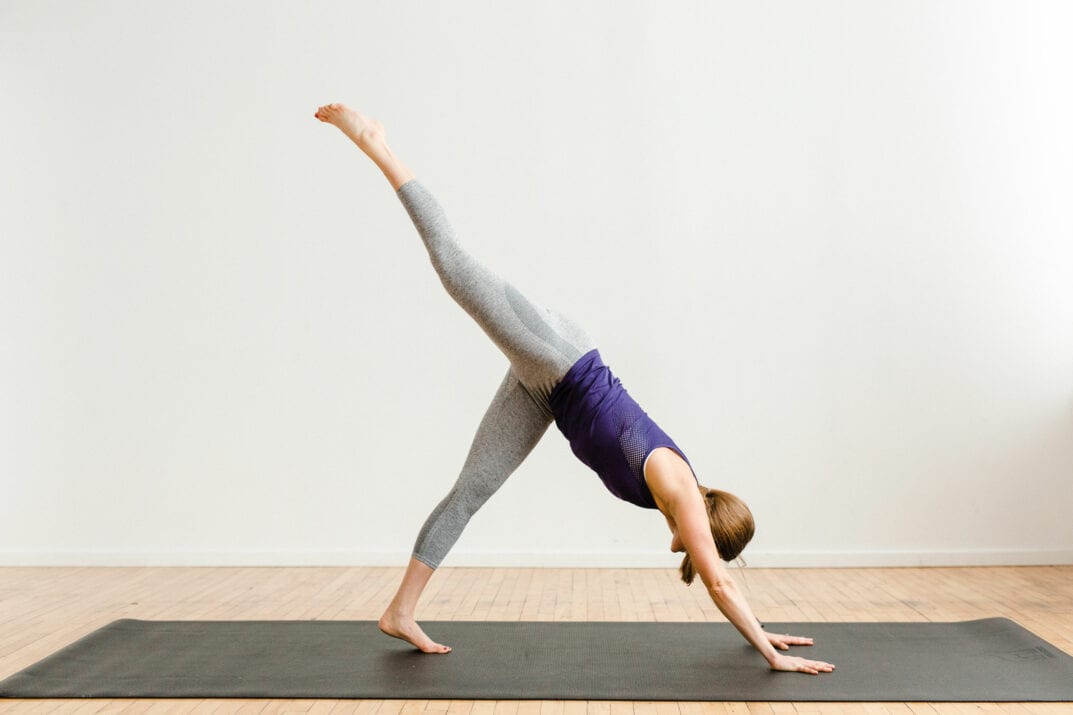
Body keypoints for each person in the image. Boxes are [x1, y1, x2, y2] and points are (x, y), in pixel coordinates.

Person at [314, 103, 835, 675]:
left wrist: (760, 630)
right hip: (559, 359)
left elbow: (718, 576)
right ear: (706, 530)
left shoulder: (676, 498)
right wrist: (767, 653)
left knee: (471, 490)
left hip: (547, 393)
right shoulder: (681, 491)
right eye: (709, 545)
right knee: (453, 264)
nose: (700, 553)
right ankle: (376, 143)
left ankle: (400, 611)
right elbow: (717, 581)